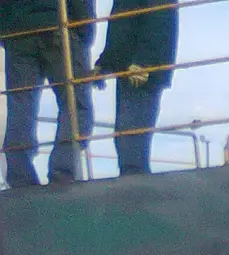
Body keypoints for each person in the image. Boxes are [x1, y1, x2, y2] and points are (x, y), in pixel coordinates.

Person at [0, 0, 96, 187]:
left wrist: (8, 35)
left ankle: (19, 175)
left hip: (19, 35)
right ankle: (63, 171)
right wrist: (83, 33)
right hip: (59, 28)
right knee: (75, 104)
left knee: (20, 105)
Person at [95, 0, 178, 176]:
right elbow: (121, 25)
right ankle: (132, 180)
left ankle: (135, 183)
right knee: (126, 136)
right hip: (129, 68)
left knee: (131, 136)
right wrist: (105, 62)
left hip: (142, 71)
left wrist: (145, 62)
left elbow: (160, 17)